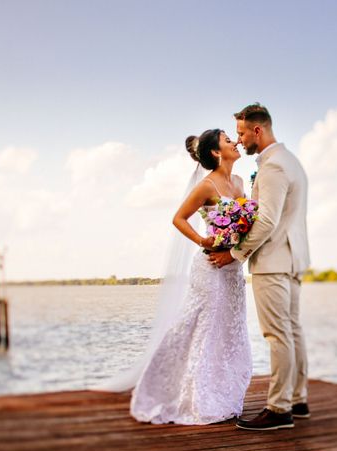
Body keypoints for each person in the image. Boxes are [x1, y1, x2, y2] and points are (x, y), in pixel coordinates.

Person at [128, 129, 252, 424]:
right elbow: (178, 218)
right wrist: (202, 240)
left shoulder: (238, 182)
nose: (234, 141)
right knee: (203, 328)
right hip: (209, 267)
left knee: (228, 331)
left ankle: (222, 391)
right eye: (227, 139)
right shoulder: (206, 185)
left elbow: (245, 220)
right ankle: (190, 396)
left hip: (232, 268)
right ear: (215, 153)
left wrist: (238, 240)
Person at [209, 104, 311, 430]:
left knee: (277, 334)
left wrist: (235, 254)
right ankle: (297, 399)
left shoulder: (273, 167)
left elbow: (266, 220)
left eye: (240, 133)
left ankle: (279, 409)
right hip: (293, 258)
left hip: (273, 262)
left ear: (257, 130)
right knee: (292, 331)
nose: (238, 141)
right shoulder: (290, 160)